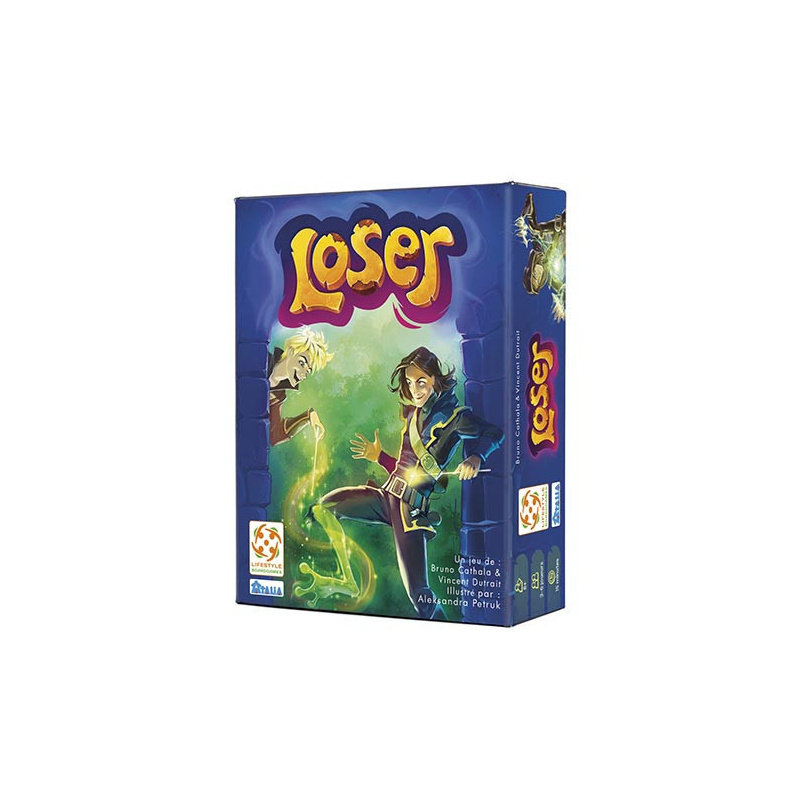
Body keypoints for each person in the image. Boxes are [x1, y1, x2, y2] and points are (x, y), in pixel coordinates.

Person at [301, 346, 504, 619]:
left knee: (419, 596)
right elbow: (406, 468)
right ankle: (347, 580)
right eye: (409, 382)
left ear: (435, 379)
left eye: (421, 382)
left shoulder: (455, 418)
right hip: (386, 497)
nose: (414, 389)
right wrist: (380, 457)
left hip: (410, 511)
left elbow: (495, 432)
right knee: (322, 508)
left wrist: (476, 457)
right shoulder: (412, 414)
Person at [267, 327, 332, 445]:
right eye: (301, 363)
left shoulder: (278, 395)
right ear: (290, 352)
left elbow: (275, 435)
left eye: (308, 371)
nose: (303, 374)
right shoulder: (262, 360)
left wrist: (308, 416)